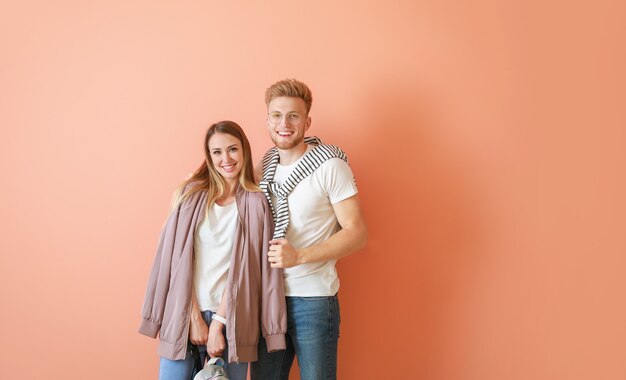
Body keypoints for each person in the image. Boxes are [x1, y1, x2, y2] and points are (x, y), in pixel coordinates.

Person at [138, 121, 287, 380]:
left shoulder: (256, 203)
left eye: (232, 149)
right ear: (209, 156)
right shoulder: (190, 196)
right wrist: (194, 317)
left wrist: (219, 323)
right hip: (183, 314)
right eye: (216, 152)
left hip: (234, 320)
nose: (226, 159)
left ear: (244, 151)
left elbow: (253, 273)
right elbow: (175, 261)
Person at [251, 79, 368, 380]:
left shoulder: (329, 165)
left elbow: (357, 232)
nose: (284, 123)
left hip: (313, 300)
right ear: (267, 119)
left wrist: (300, 256)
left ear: (307, 121)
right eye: (276, 115)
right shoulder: (266, 165)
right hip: (269, 297)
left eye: (293, 115)